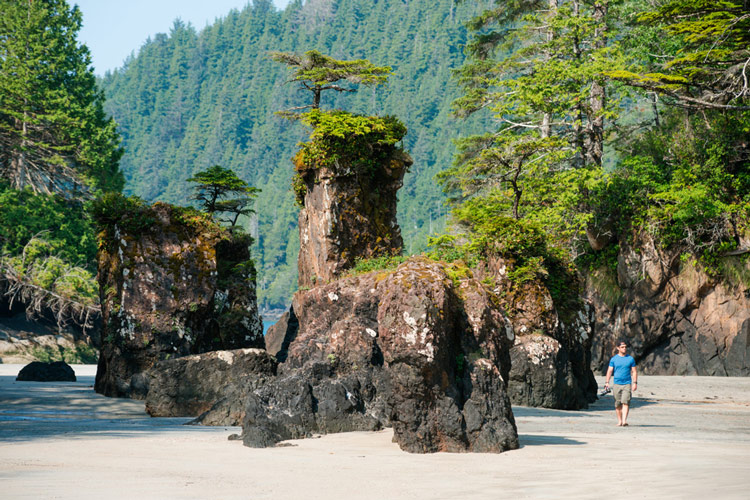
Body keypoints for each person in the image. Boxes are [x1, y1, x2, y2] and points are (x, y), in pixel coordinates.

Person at [604, 339, 637, 427]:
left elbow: (634, 371)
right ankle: (619, 421)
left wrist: (635, 383)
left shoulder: (630, 359)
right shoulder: (614, 359)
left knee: (625, 402)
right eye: (622, 347)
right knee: (618, 404)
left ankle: (624, 421)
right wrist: (607, 382)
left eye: (625, 347)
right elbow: (610, 371)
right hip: (617, 384)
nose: (624, 349)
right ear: (618, 348)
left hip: (627, 383)